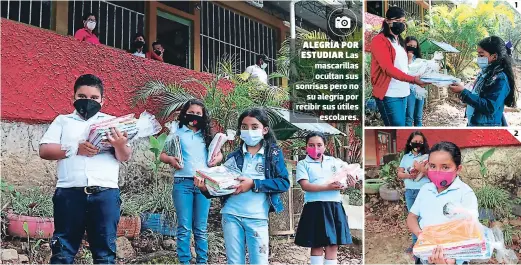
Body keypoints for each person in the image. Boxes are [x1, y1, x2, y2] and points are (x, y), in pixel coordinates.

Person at [39, 74, 132, 264]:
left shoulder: (113, 123)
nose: (88, 101)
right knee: (63, 251)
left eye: (94, 98)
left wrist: (120, 144)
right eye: (82, 97)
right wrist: (75, 148)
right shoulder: (62, 121)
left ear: (102, 100)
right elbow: (44, 150)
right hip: (69, 193)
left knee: (105, 254)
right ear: (73, 98)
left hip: (105, 194)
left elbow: (124, 156)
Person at [195, 108, 290, 265]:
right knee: (234, 262)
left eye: (254, 127)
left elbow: (283, 182)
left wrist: (254, 184)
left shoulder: (273, 154)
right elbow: (223, 185)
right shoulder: (234, 156)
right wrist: (206, 188)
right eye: (244, 127)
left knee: (259, 261)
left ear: (264, 130)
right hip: (231, 215)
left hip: (257, 217)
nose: (249, 131)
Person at [159, 99, 223, 264]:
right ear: (184, 113)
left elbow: (219, 154)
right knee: (184, 227)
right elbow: (162, 154)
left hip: (203, 184)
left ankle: (202, 261)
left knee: (201, 227)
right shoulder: (176, 132)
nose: (194, 116)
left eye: (198, 114)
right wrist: (170, 160)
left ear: (204, 116)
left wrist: (217, 159)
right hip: (182, 184)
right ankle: (184, 261)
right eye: (191, 113)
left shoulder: (207, 135)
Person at [406, 141, 478, 265]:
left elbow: (471, 230)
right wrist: (421, 235)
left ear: (458, 169)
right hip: (425, 256)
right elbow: (412, 216)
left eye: (445, 167)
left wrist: (452, 260)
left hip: (451, 259)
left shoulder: (465, 193)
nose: (438, 171)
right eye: (433, 166)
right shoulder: (425, 190)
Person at [294, 132, 354, 265]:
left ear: (325, 146)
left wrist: (350, 182)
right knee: (316, 244)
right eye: (311, 145)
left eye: (319, 145)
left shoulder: (335, 162)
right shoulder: (303, 164)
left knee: (333, 245)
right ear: (306, 147)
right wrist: (327, 187)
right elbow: (305, 185)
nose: (316, 148)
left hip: (334, 206)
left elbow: (344, 178)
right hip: (314, 207)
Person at [370, 6, 428, 126]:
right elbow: (388, 68)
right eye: (398, 21)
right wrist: (413, 80)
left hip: (404, 92)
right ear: (388, 21)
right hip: (389, 94)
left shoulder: (400, 42)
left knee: (403, 126)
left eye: (403, 21)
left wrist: (419, 74)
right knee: (397, 127)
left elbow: (403, 67)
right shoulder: (379, 41)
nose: (401, 24)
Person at [449, 36, 517, 126]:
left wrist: (463, 92)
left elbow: (489, 107)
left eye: (481, 55)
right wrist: (464, 92)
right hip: (475, 123)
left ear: (494, 56)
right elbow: (478, 96)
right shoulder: (485, 74)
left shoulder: (500, 79)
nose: (478, 58)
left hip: (487, 128)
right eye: (478, 55)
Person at [397, 131, 430, 254]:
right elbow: (399, 174)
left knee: (424, 217)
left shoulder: (427, 157)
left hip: (424, 191)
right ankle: (416, 242)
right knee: (413, 218)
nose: (417, 144)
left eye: (420, 142)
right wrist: (409, 175)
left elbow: (432, 173)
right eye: (415, 141)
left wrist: (421, 169)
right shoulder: (406, 157)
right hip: (410, 192)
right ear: (410, 142)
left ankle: (426, 242)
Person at [405, 36, 426, 126]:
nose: (412, 47)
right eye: (410, 45)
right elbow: (406, 73)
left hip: (419, 89)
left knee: (418, 117)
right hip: (409, 89)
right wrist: (409, 59)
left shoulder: (418, 59)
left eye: (414, 46)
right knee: (409, 117)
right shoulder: (402, 58)